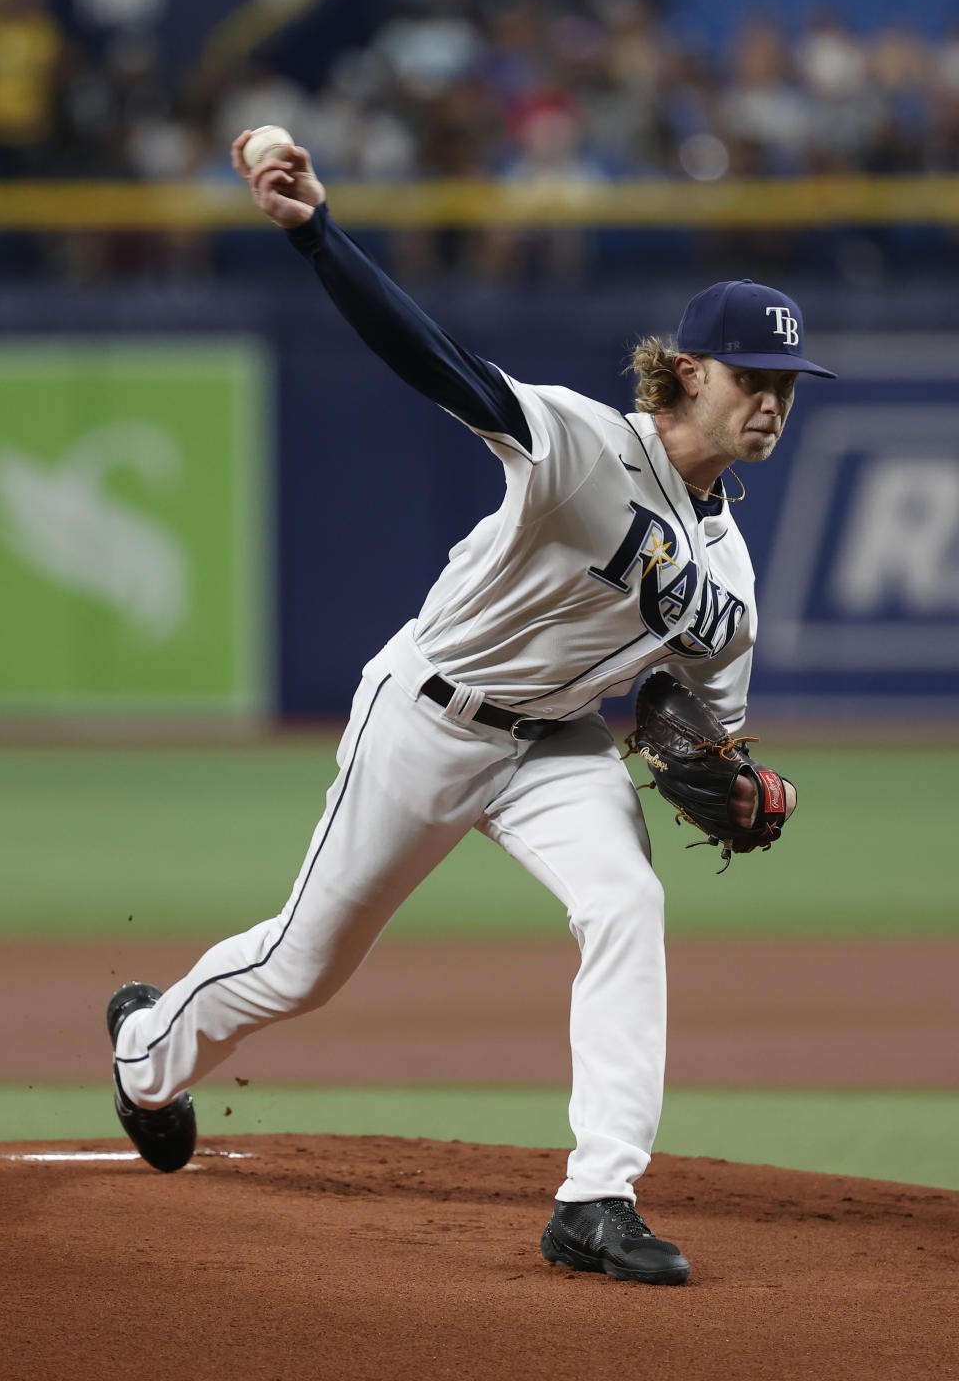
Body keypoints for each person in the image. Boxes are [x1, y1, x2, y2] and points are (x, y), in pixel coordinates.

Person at [107, 132, 832, 1286]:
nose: (775, 403)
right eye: (756, 378)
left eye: (790, 386)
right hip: (429, 715)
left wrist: (727, 773)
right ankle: (146, 1052)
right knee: (306, 967)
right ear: (690, 371)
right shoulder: (583, 446)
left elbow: (688, 716)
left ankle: (598, 1198)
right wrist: (315, 233)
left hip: (554, 744)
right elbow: (430, 357)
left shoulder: (733, 577)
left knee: (626, 904)